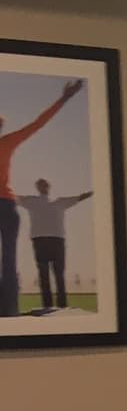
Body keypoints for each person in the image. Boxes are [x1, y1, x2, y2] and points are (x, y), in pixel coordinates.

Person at [0, 79, 85, 318]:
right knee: (8, 259)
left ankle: (8, 310)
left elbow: (38, 124)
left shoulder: (6, 143)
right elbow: (37, 124)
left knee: (8, 260)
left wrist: (63, 99)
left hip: (6, 206)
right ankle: (9, 310)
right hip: (6, 206)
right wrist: (64, 99)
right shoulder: (7, 142)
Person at [18, 178, 92, 314]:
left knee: (59, 274)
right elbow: (13, 197)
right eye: (40, 184)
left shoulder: (60, 202)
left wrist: (96, 191)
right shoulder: (31, 201)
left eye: (44, 184)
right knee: (44, 274)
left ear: (48, 186)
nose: (42, 186)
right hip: (39, 241)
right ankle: (47, 306)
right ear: (37, 187)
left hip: (57, 241)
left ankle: (62, 306)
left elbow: (79, 198)